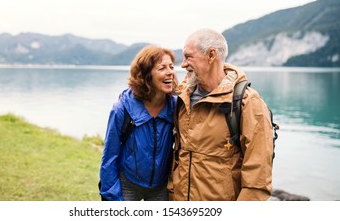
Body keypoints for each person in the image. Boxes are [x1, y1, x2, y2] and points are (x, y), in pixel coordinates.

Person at [167, 28, 273, 201]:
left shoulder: (248, 102)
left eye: (188, 56)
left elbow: (258, 181)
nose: (183, 64)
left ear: (211, 55)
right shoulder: (182, 97)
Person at [99, 45, 177, 201]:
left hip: (161, 186)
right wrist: (112, 197)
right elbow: (109, 156)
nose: (170, 72)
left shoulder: (176, 107)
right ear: (146, 75)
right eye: (162, 68)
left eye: (172, 67)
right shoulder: (122, 109)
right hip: (128, 183)